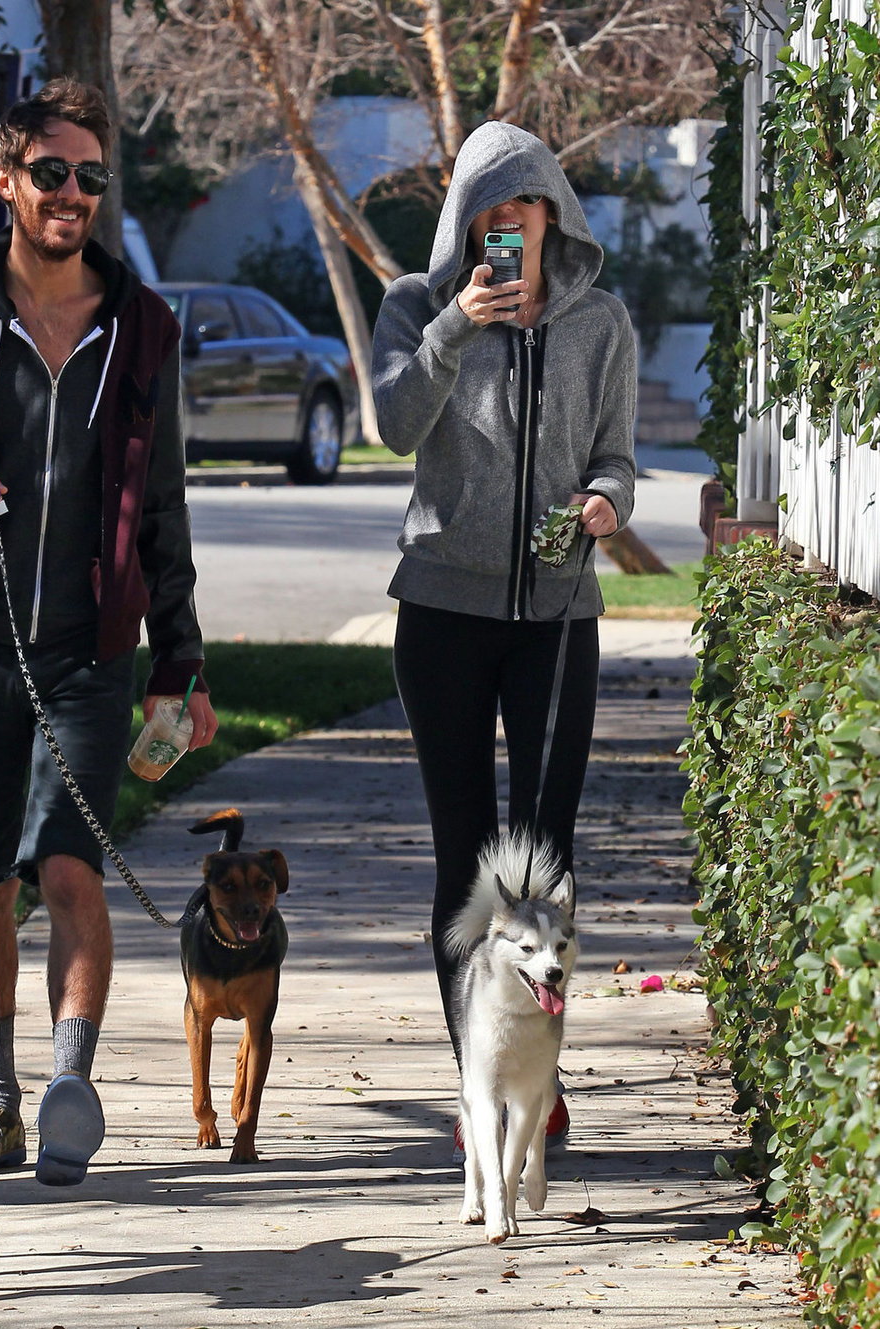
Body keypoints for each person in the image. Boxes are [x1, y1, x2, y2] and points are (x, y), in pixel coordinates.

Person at [0, 77, 218, 1186]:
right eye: (54, 174)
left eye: (92, 178)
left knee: (69, 870)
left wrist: (183, 663)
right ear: (8, 178)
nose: (74, 195)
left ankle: (71, 1081)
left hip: (94, 650)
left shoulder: (142, 327)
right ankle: (0, 1095)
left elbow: (162, 503)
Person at [371, 121, 636, 1147]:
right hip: (441, 613)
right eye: (485, 214)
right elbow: (392, 424)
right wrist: (455, 328)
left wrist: (607, 501)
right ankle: (479, 1086)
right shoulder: (415, 307)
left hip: (558, 619)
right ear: (465, 223)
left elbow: (613, 456)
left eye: (519, 211)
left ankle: (539, 1082)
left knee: (542, 865)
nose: (503, 231)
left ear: (550, 218)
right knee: (465, 860)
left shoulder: (601, 322)